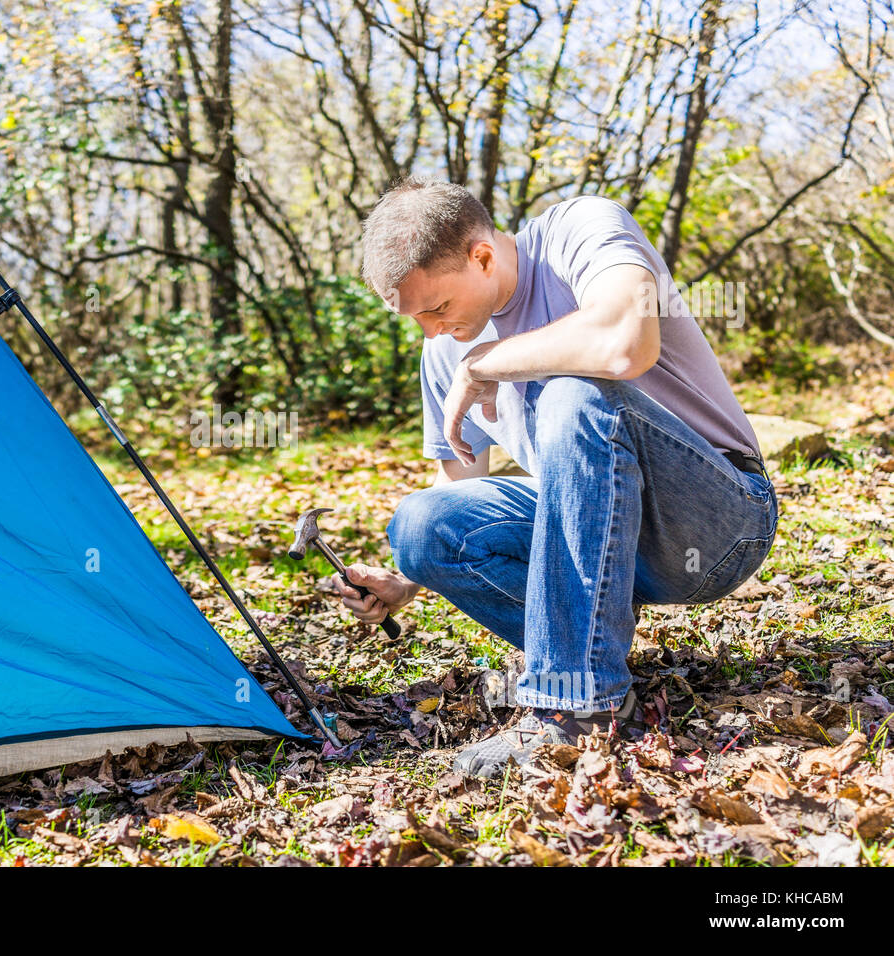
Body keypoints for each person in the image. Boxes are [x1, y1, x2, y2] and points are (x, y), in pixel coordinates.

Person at [333, 178, 778, 778]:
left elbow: (625, 343)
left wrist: (489, 362)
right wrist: (404, 580)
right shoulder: (445, 351)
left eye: (435, 309)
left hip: (716, 521)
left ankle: (576, 712)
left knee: (574, 394)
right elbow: (459, 491)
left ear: (482, 255)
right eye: (415, 319)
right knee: (420, 526)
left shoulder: (578, 231)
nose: (431, 333)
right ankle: (591, 660)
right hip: (603, 539)